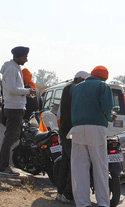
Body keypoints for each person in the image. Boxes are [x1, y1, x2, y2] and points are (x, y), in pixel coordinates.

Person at [68, 66, 116, 207]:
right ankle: (103, 203)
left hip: (77, 129)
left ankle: (82, 203)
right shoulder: (103, 86)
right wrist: (110, 116)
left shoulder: (77, 87)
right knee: (100, 167)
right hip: (96, 129)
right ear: (104, 78)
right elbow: (107, 109)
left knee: (79, 168)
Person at [0, 46, 36, 175]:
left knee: (12, 136)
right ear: (19, 57)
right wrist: (27, 91)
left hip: (16, 106)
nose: (26, 60)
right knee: (10, 137)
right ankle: (3, 166)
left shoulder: (15, 68)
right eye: (25, 57)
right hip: (13, 107)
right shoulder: (11, 69)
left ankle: (2, 164)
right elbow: (11, 89)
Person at [56, 71, 90, 204]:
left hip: (65, 130)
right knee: (74, 163)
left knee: (66, 162)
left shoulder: (67, 87)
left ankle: (60, 192)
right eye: (86, 82)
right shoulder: (73, 88)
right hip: (70, 131)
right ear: (80, 79)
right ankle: (68, 194)